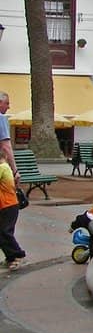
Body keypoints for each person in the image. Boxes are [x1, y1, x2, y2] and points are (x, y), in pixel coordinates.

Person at [0, 91, 26, 271]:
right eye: (6, 103)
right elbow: (6, 145)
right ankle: (13, 255)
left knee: (3, 229)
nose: (8, 107)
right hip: (8, 199)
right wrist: (15, 169)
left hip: (8, 202)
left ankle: (15, 255)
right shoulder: (1, 118)